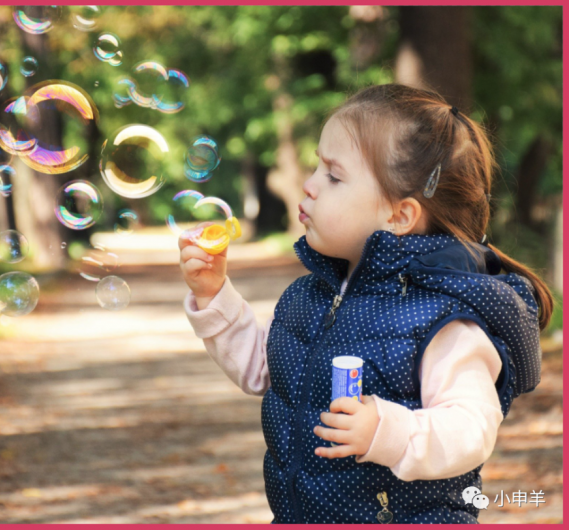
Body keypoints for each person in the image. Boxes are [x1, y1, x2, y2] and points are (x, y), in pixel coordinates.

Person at [178, 83, 554, 524]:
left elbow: (471, 428)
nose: (310, 184)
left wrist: (386, 431)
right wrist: (213, 294)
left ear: (399, 216)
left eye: (334, 176)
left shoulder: (441, 318)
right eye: (318, 167)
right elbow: (266, 368)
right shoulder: (312, 294)